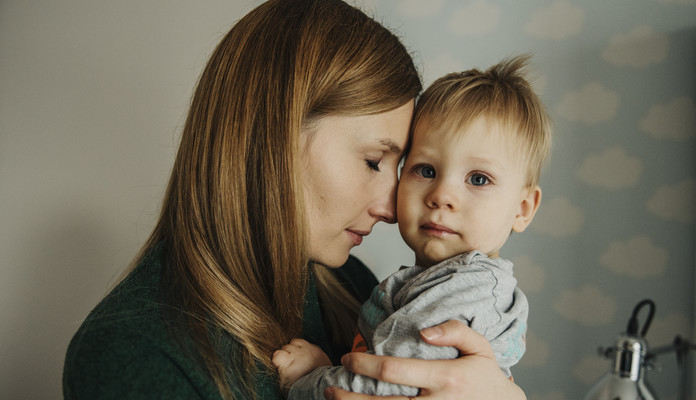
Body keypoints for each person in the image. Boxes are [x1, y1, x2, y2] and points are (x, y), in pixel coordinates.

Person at [62, 0, 528, 399]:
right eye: (372, 161)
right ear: (271, 140)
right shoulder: (135, 353)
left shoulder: (347, 281)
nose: (392, 208)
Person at [273, 55, 552, 398]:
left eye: (478, 179)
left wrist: (308, 379)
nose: (442, 196)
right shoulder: (427, 281)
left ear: (522, 209)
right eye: (426, 170)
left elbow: (385, 387)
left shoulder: (465, 294)